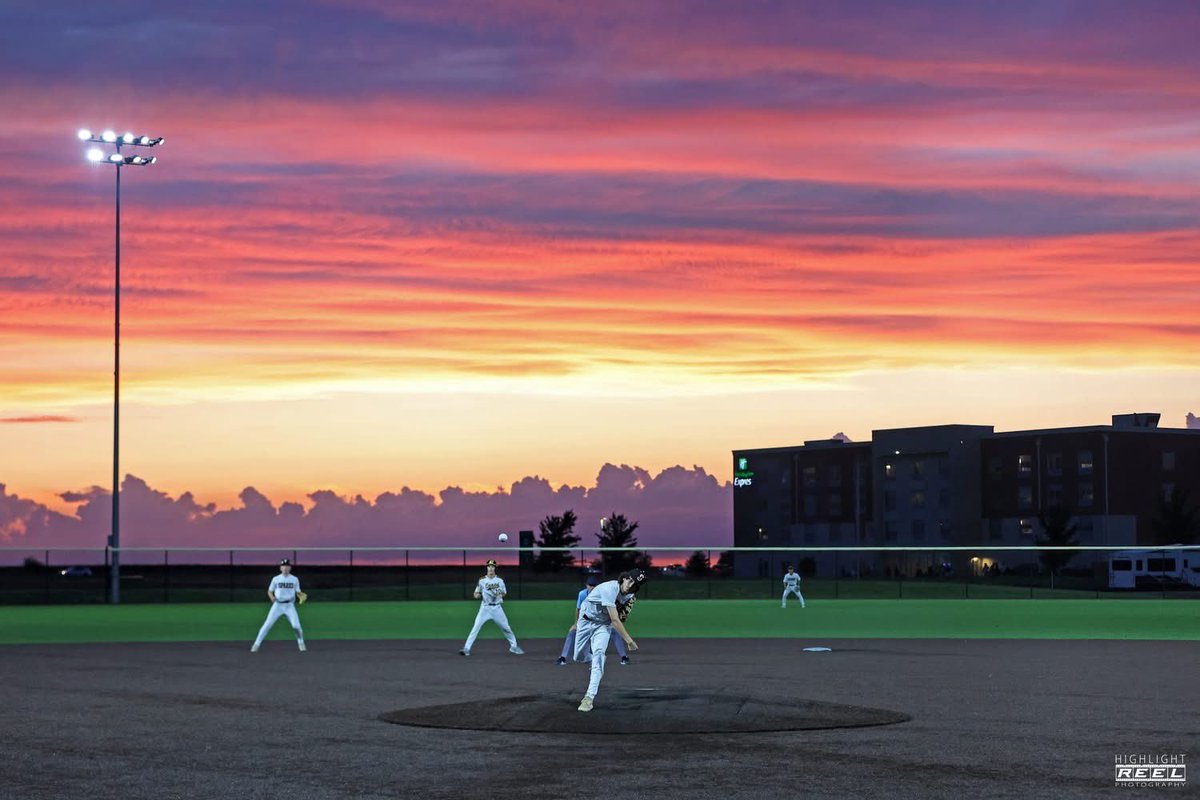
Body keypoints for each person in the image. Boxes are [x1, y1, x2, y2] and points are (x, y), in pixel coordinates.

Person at [573, 569, 646, 712]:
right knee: (578, 657)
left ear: (637, 587)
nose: (630, 584)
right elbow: (615, 619)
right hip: (585, 620)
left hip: (603, 625)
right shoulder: (610, 588)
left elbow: (619, 619)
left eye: (634, 583)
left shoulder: (630, 597)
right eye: (629, 580)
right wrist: (629, 641)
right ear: (624, 578)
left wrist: (625, 612)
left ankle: (589, 698)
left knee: (599, 654)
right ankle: (595, 659)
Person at [557, 574, 629, 666]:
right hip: (586, 621)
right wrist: (575, 624)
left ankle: (624, 657)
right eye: (590, 585)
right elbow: (578, 609)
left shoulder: (604, 593)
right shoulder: (583, 594)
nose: (592, 587)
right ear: (586, 585)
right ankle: (563, 657)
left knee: (614, 632)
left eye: (594, 585)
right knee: (572, 632)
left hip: (602, 621)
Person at [459, 559, 524, 656]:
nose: (491, 568)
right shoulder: (482, 580)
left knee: (506, 628)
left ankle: (514, 647)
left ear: (495, 568)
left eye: (493, 566)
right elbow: (476, 592)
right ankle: (466, 649)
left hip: (497, 608)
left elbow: (504, 592)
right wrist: (477, 595)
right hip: (484, 608)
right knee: (476, 627)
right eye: (489, 566)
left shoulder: (500, 581)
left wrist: (499, 594)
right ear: (487, 567)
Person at [251, 558, 306, 652]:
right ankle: (256, 645)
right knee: (267, 625)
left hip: (289, 606)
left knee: (296, 626)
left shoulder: (294, 579)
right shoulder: (276, 579)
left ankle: (301, 642)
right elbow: (269, 591)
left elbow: (298, 592)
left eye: (287, 566)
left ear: (290, 568)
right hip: (277, 605)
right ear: (280, 568)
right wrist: (271, 597)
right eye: (283, 566)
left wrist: (301, 595)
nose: (285, 568)